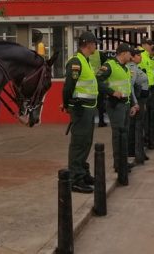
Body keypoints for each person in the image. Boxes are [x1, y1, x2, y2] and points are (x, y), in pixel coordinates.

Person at [61, 31, 100, 193]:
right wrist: (68, 104)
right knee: (78, 144)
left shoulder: (86, 61)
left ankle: (83, 173)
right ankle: (75, 179)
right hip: (80, 109)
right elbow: (68, 87)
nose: (96, 46)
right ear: (89, 44)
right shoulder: (76, 62)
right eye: (94, 44)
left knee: (86, 143)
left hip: (88, 108)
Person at [96, 43, 139, 172]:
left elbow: (127, 88)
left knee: (124, 134)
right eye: (129, 53)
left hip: (125, 105)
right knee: (118, 134)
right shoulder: (109, 65)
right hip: (115, 105)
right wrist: (111, 92)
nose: (131, 56)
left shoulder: (125, 68)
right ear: (123, 53)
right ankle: (118, 164)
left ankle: (123, 162)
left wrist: (132, 104)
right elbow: (97, 81)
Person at [128, 46, 150, 165]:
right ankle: (137, 153)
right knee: (137, 128)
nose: (140, 57)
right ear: (131, 57)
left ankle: (139, 152)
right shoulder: (132, 68)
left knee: (139, 127)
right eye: (138, 55)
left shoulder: (136, 67)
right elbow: (130, 86)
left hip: (142, 99)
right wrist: (135, 102)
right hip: (138, 100)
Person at [139, 39, 154, 149]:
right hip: (144, 91)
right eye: (150, 44)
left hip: (150, 88)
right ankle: (147, 140)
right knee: (146, 117)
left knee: (151, 115)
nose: (151, 46)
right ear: (144, 45)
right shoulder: (141, 55)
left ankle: (150, 139)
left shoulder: (146, 56)